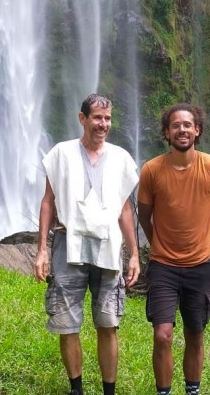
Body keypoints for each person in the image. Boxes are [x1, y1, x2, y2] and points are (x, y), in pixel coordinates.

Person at [34, 94, 140, 395]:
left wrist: (134, 255)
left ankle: (109, 392)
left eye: (107, 119)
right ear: (82, 119)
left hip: (108, 247)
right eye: (97, 118)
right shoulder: (61, 153)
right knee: (67, 321)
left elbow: (124, 209)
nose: (103, 124)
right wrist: (41, 249)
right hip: (68, 244)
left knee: (107, 322)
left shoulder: (120, 158)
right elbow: (48, 202)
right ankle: (76, 389)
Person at [137, 103, 210, 395]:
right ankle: (163, 392)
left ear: (197, 130)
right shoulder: (152, 169)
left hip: (200, 266)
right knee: (162, 335)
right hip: (163, 266)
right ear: (167, 132)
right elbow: (143, 215)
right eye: (175, 125)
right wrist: (160, 246)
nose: (182, 130)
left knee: (195, 333)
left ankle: (192, 390)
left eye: (188, 125)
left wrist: (202, 240)